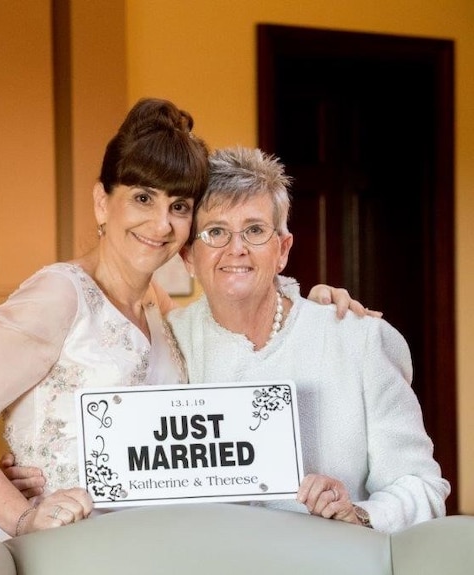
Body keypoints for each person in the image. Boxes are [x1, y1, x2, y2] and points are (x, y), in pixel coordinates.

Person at [0, 99, 367, 537]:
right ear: (102, 202)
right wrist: (21, 517)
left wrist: (309, 309)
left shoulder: (160, 306)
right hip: (71, 551)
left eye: (178, 206)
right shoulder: (57, 294)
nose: (160, 224)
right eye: (142, 198)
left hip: (158, 550)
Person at [168, 146, 450, 533]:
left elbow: (422, 488)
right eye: (216, 231)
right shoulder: (164, 342)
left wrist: (359, 512)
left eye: (254, 230)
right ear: (188, 256)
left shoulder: (357, 340)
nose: (237, 248)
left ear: (282, 250)